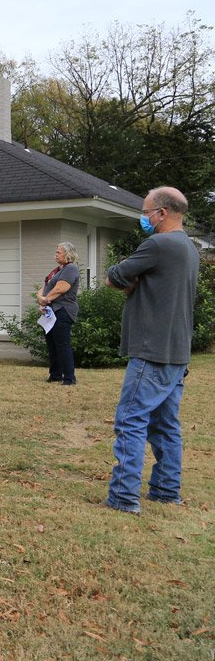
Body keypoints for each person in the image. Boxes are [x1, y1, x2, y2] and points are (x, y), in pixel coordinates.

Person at [103, 186, 200, 514]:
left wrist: (130, 279)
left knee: (130, 419)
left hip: (152, 350)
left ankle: (123, 498)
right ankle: (165, 491)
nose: (143, 218)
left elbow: (114, 276)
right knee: (165, 424)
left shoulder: (158, 244)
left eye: (145, 213)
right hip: (177, 352)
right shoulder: (189, 247)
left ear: (161, 213)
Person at [37, 242, 80, 385]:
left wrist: (46, 300)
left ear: (67, 254)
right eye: (56, 252)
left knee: (62, 344)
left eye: (58, 253)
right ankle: (55, 374)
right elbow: (43, 288)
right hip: (50, 311)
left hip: (63, 310)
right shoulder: (55, 271)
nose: (55, 255)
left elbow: (60, 288)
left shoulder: (71, 268)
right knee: (52, 344)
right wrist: (41, 300)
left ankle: (69, 378)